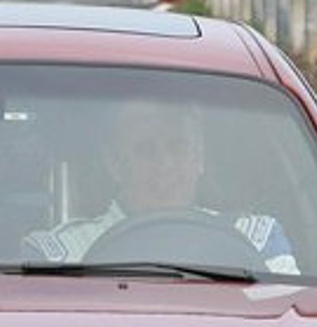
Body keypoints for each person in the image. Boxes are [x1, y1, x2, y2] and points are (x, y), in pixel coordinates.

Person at [24, 98, 299, 272]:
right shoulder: (59, 254)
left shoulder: (258, 240)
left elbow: (283, 318)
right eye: (146, 150)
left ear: (199, 157)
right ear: (114, 164)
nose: (165, 165)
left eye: (178, 148)